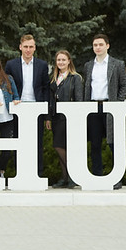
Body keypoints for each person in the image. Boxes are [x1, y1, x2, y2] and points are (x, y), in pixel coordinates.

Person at [83, 34, 126, 189]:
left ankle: (117, 178)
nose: (98, 47)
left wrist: (117, 103)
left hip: (110, 108)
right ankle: (97, 176)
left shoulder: (117, 64)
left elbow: (125, 85)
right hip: (92, 108)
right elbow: (86, 87)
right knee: (95, 144)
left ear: (107, 46)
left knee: (113, 142)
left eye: (101, 44)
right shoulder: (88, 66)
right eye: (95, 45)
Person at [4, 34, 50, 177]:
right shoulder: (11, 65)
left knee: (37, 142)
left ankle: (38, 174)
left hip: (37, 108)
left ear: (35, 48)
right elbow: (6, 86)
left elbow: (46, 88)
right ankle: (20, 174)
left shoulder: (42, 65)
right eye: (25, 47)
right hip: (18, 107)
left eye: (31, 47)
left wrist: (47, 114)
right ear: (20, 47)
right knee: (18, 141)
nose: (28, 50)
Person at [47, 50, 84, 188]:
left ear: (69, 61)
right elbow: (50, 100)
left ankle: (73, 176)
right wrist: (48, 118)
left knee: (63, 146)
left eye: (63, 60)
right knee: (60, 146)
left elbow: (79, 100)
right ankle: (65, 178)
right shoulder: (53, 78)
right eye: (58, 60)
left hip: (69, 118)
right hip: (56, 117)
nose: (61, 62)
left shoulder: (75, 78)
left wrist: (78, 118)